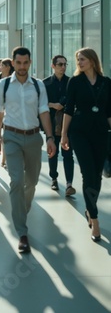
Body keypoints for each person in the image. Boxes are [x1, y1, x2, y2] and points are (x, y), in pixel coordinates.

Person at [0, 46, 56, 253]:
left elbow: (44, 111)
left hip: (33, 138)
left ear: (30, 62)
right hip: (11, 137)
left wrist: (49, 137)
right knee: (17, 181)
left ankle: (21, 211)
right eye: (18, 63)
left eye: (25, 63)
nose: (22, 67)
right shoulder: (3, 85)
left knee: (32, 181)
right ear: (13, 62)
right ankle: (22, 231)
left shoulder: (38, 86)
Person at [61, 48, 111, 243]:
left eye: (82, 59)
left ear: (92, 60)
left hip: (100, 133)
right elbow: (68, 108)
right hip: (79, 133)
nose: (79, 63)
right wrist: (64, 134)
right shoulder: (75, 81)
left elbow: (108, 112)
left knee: (97, 175)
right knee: (88, 173)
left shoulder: (106, 83)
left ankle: (90, 208)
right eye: (78, 60)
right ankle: (95, 219)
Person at [43, 55, 75, 196]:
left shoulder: (71, 82)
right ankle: (54, 178)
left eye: (65, 64)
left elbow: (73, 100)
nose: (63, 67)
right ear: (53, 66)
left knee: (68, 154)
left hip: (67, 124)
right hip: (51, 123)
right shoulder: (45, 83)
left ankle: (69, 183)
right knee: (53, 153)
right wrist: (53, 104)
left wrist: (62, 104)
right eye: (60, 64)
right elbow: (41, 102)